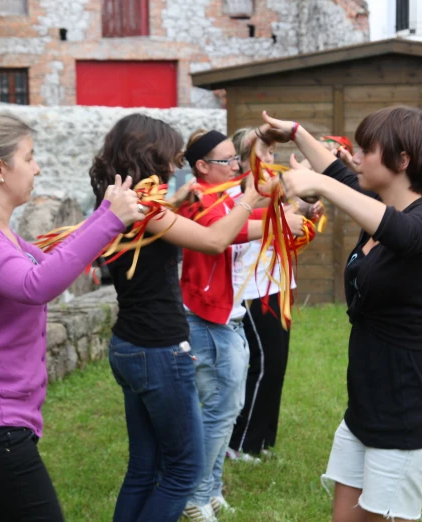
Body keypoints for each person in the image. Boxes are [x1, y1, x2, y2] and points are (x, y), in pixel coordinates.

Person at [0, 113, 142, 522]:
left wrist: (106, 213)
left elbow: (58, 264)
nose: (38, 167)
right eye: (30, 157)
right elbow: (36, 285)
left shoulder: (0, 233)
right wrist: (110, 219)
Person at [262, 107, 422, 522]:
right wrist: (296, 132)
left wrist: (320, 186)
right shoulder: (376, 204)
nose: (359, 157)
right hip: (366, 406)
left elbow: (403, 233)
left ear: (402, 161)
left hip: (410, 409)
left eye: (369, 149)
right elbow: (338, 172)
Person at [87, 115, 267, 522]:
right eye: (171, 155)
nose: (176, 163)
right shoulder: (147, 209)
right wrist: (249, 199)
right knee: (183, 470)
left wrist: (179, 204)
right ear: (150, 156)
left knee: (144, 467)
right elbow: (214, 240)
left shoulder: (118, 201)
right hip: (158, 350)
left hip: (130, 345)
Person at [178, 128, 303, 521]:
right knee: (219, 409)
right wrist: (278, 219)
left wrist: (286, 214)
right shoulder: (198, 200)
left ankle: (211, 490)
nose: (236, 166)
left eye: (235, 158)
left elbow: (256, 202)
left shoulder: (224, 193)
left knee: (227, 408)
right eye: (227, 160)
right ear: (201, 167)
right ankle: (195, 497)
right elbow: (228, 230)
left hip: (226, 319)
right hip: (207, 321)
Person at [225, 128, 320, 463]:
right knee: (262, 365)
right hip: (251, 290)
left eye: (271, 153)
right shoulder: (243, 189)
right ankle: (240, 443)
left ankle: (262, 438)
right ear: (242, 158)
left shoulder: (267, 187)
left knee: (276, 365)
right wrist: (307, 176)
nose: (270, 159)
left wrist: (306, 209)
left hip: (275, 285)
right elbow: (276, 205)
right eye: (263, 152)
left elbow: (289, 210)